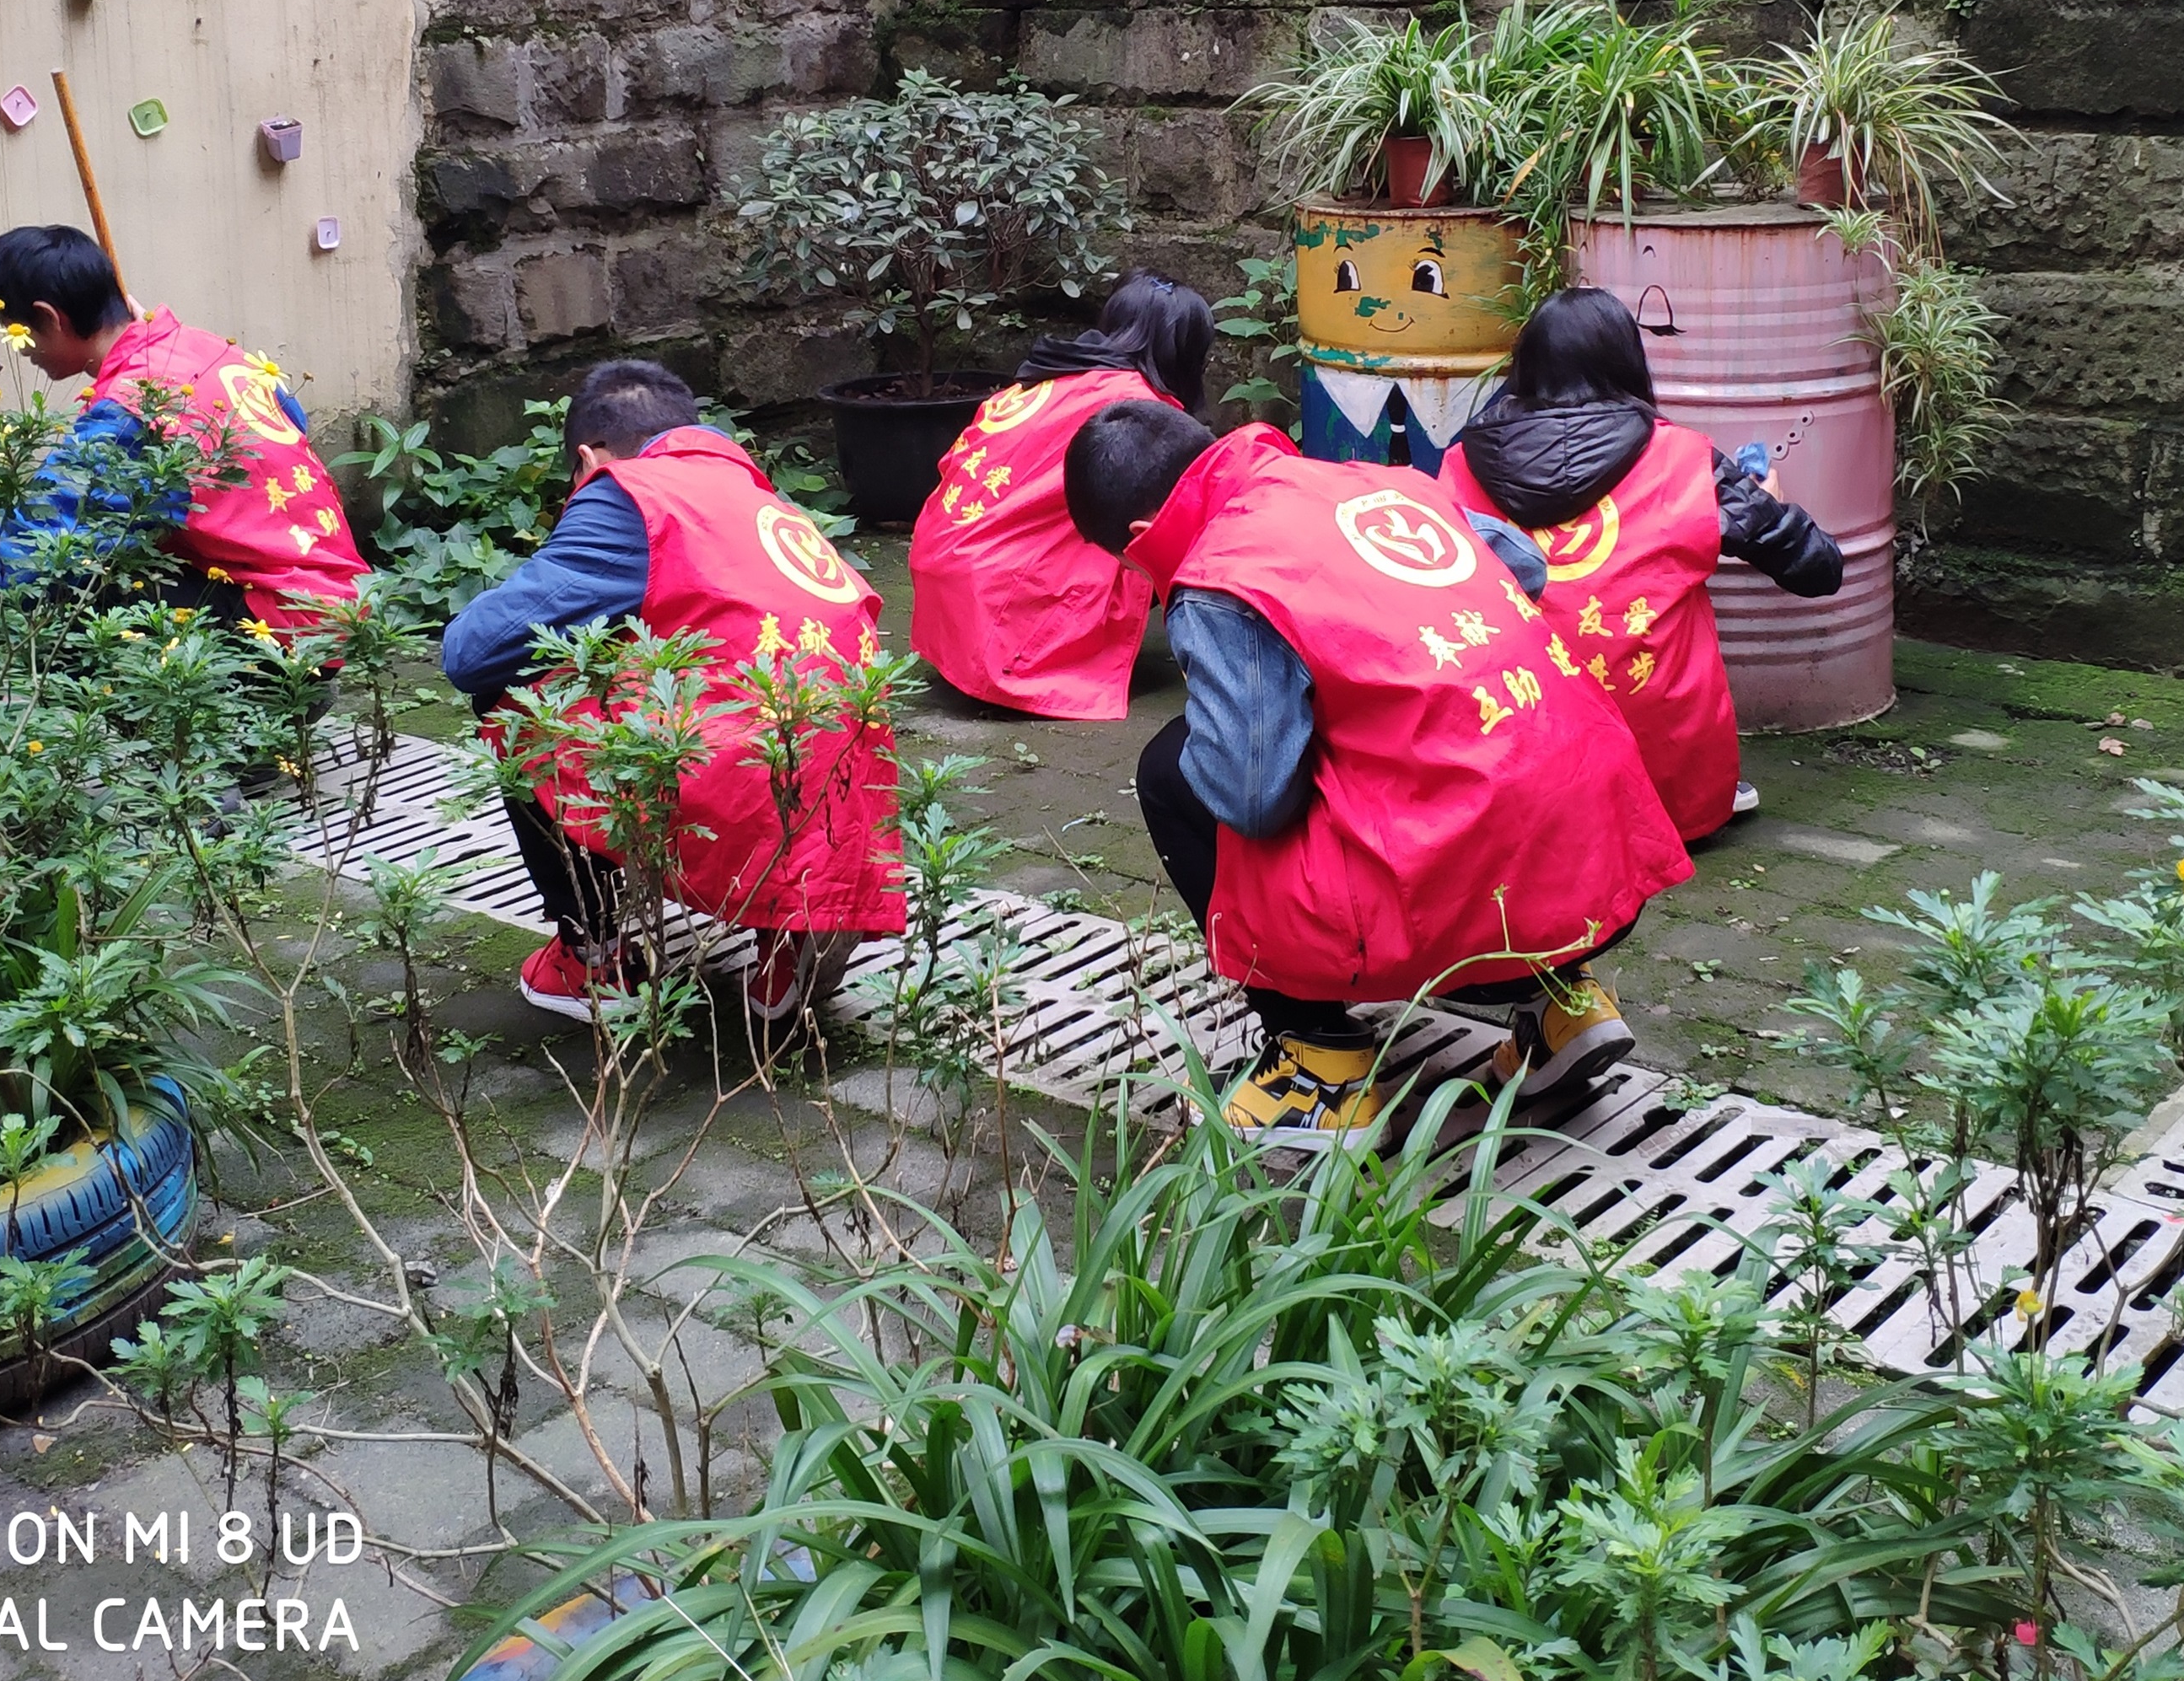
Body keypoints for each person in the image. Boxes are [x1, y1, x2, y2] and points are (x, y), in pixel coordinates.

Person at [1065, 402, 1694, 1146]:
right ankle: (1563, 1005)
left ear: (1139, 539)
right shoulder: (1370, 482)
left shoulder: (1218, 573)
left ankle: (1318, 1065)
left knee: (1175, 772)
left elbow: (1253, 796)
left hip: (1459, 898)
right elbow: (1524, 564)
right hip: (1599, 861)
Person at [441, 359, 904, 1028]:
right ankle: (791, 931)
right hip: (840, 777)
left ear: (586, 456)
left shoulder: (626, 494)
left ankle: (593, 955)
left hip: (735, 768)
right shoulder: (757, 495)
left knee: (514, 685)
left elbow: (471, 651)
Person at [1437, 288, 1846, 840]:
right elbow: (1817, 569)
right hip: (1669, 789)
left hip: (1519, 776)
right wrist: (1763, 506)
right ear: (1627, 363)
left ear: (1526, 366)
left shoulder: (1457, 464)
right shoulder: (1681, 458)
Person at [0, 224, 366, 632]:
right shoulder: (209, 351)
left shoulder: (133, 409)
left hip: (279, 623)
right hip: (338, 600)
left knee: (60, 589)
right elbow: (294, 422)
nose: (20, 350)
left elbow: (37, 539)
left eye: (16, 329)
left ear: (49, 317)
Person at [909, 272, 1212, 720]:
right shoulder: (1136, 411)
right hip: (996, 612)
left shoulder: (1047, 379)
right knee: (1172, 519)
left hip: (947, 582)